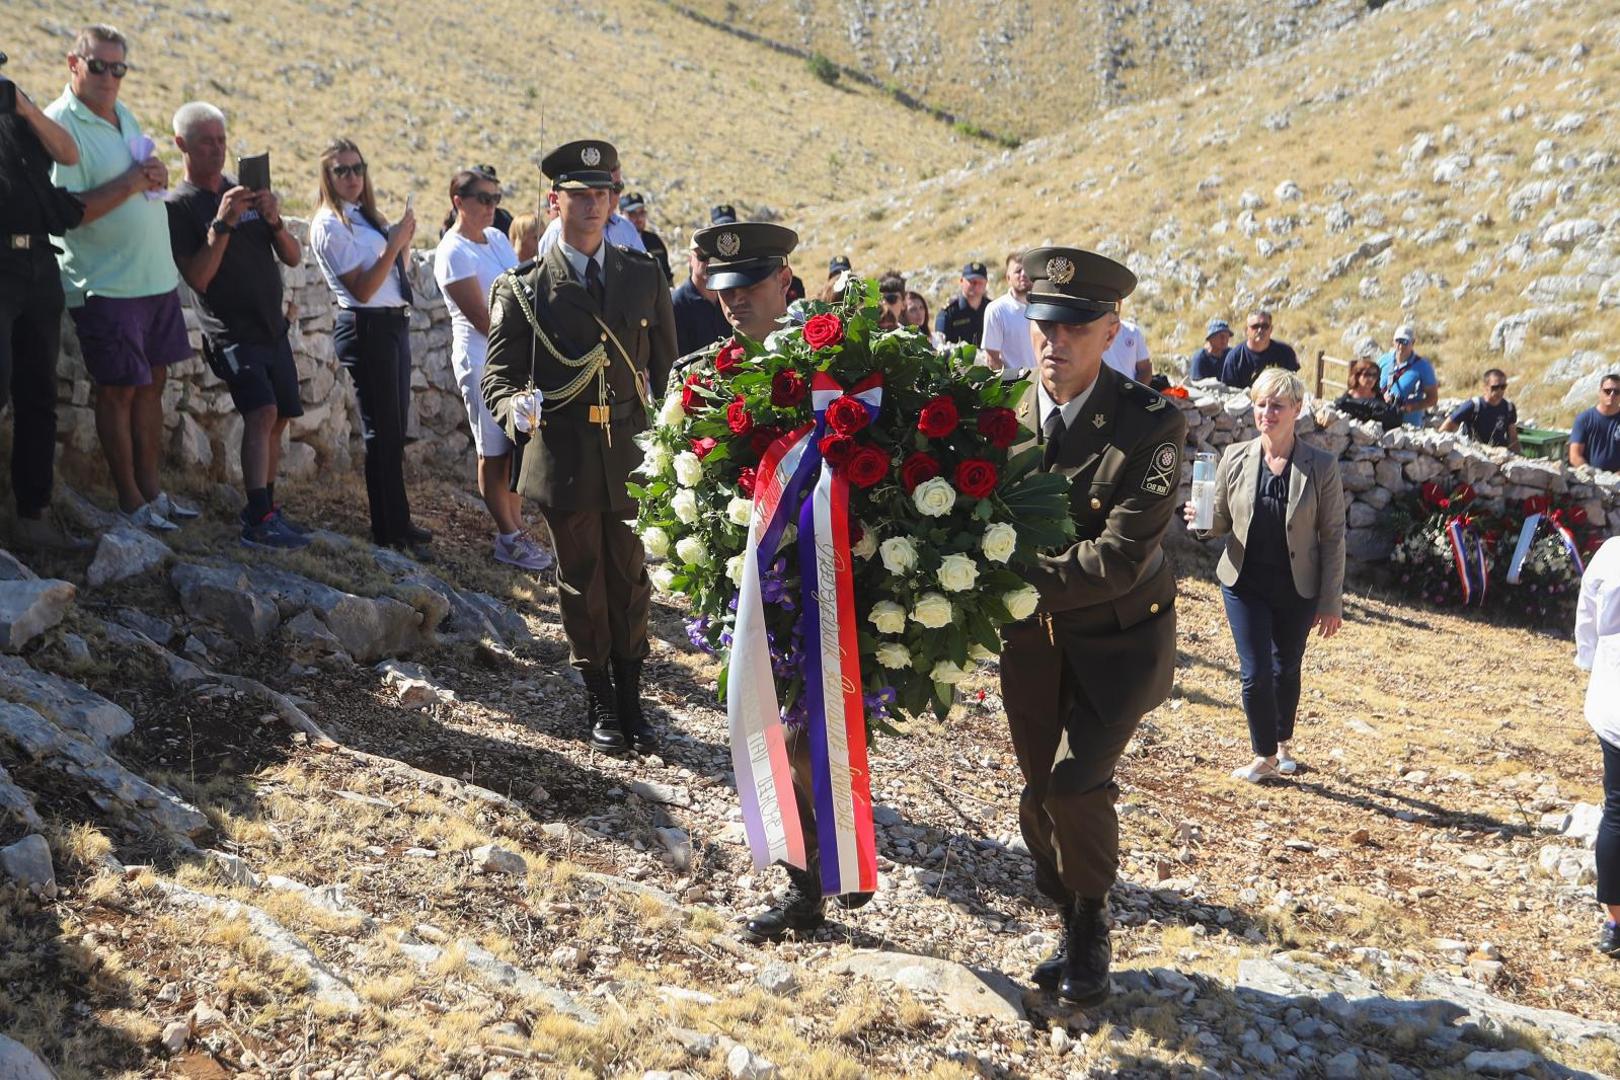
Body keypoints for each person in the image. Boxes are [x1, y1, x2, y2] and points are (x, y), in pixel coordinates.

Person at [1000, 246, 1185, 1006]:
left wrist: (998, 582)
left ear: (1112, 331)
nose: (1056, 341)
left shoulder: (1150, 424)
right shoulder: (1000, 414)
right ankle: (1067, 904)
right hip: (1033, 645)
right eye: (1044, 324)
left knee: (1078, 787)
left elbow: (1117, 557)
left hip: (1119, 641)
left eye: (1076, 326)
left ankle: (1090, 923)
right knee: (1038, 796)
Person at [483, 139, 675, 755]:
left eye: (603, 194)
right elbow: (498, 376)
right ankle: (597, 694)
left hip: (630, 450)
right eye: (580, 195)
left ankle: (631, 692)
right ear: (554, 201)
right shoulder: (524, 288)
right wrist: (514, 408)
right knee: (581, 576)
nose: (593, 206)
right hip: (564, 450)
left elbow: (668, 369)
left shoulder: (642, 274)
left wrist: (673, 445)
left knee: (631, 573)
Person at [47, 24, 198, 531]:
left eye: (119, 68)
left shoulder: (123, 113)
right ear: (74, 64)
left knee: (152, 384)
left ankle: (154, 494)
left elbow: (137, 177)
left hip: (153, 278)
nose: (110, 77)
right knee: (117, 391)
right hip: (105, 283)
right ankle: (130, 501)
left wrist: (153, 175)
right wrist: (133, 181)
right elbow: (67, 210)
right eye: (98, 65)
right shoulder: (59, 125)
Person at [1185, 367, 1345, 784]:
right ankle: (1265, 754)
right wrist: (1200, 521)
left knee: (1285, 668)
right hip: (1244, 582)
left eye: (1277, 405)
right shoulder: (1235, 457)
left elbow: (1332, 537)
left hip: (1298, 586)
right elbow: (1217, 520)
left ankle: (1283, 741)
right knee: (1254, 671)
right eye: (1261, 405)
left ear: (1296, 410)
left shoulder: (1322, 466)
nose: (1267, 413)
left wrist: (1330, 602)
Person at [166, 101, 310, 549]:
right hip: (230, 332)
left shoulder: (244, 191)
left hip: (272, 327)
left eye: (222, 140)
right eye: (206, 141)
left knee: (282, 412)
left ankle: (267, 506)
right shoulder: (180, 206)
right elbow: (199, 277)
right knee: (261, 412)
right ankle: (258, 516)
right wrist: (222, 225)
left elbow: (291, 255)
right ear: (181, 145)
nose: (217, 149)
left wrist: (273, 219)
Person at [309, 137, 430, 552]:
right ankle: (387, 528)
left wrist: (402, 241)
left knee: (394, 429)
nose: (352, 177)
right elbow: (361, 289)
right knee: (382, 430)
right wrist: (393, 243)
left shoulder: (364, 217)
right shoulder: (329, 224)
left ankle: (399, 522)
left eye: (357, 168)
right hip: (367, 326)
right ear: (327, 175)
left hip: (392, 323)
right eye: (341, 170)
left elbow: (395, 271)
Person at [432, 167, 551, 572]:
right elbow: (482, 317)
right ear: (458, 201)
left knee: (516, 446)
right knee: (492, 450)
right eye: (483, 198)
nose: (491, 207)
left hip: (515, 358)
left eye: (496, 198)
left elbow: (521, 285)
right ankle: (507, 535)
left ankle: (517, 529)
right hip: (482, 359)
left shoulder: (498, 238)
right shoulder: (452, 252)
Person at [0, 52, 90, 551]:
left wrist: (26, 109)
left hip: (37, 262)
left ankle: (32, 517)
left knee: (38, 393)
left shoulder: (19, 111)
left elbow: (69, 154)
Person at [1574, 536, 1620, 959]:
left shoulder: (1611, 553)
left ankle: (1615, 922)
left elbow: (1586, 614)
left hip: (1613, 697)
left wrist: (1587, 659)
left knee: (1617, 810)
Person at [538, 162, 644, 257]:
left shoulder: (626, 228)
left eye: (617, 188)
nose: (595, 203)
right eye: (582, 194)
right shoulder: (556, 231)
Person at [671, 240, 730, 357]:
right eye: (702, 257)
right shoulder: (677, 303)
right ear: (690, 260)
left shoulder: (728, 295)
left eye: (714, 257)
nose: (709, 263)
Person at [981, 250, 1035, 374]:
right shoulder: (996, 310)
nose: (1023, 274)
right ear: (1008, 278)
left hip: (1042, 385)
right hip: (1016, 387)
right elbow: (992, 358)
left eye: (1027, 270)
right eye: (1018, 271)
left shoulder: (1044, 307)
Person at [1442, 369, 1520, 451]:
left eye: (1503, 387)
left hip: (1499, 453)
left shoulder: (1509, 408)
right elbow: (1446, 426)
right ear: (1486, 387)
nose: (1499, 391)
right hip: (1474, 453)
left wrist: (1518, 456)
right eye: (1495, 387)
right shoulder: (1473, 405)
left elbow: (1513, 437)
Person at [1220, 309, 1298, 389]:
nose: (1260, 330)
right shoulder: (1235, 357)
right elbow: (1229, 391)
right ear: (1246, 330)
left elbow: (1293, 385)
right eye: (1255, 326)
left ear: (1271, 329)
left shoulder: (1285, 353)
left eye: (1265, 326)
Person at [1377, 324, 1438, 427]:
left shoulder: (1423, 366)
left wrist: (1411, 407)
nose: (1400, 346)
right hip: (1381, 419)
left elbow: (1432, 399)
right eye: (1398, 341)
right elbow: (1373, 384)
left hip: (1408, 424)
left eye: (1405, 342)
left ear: (1412, 343)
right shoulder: (1384, 360)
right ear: (1393, 341)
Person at [1333, 357, 1401, 430]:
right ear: (1357, 375)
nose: (1371, 379)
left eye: (1374, 375)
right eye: (1367, 375)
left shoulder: (1378, 397)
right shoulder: (1346, 399)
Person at [619, 191, 671, 285]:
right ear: (621, 215)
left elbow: (667, 275)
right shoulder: (616, 241)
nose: (638, 218)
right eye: (632, 214)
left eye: (642, 212)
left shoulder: (654, 240)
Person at [1571, 374, 1620, 472]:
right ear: (1600, 392)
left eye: (1617, 392)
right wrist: (1591, 473)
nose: (1612, 395)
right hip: (1590, 480)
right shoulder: (1584, 419)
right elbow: (1575, 455)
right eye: (1607, 391)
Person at [936, 260, 989, 345]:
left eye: (980, 282)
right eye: (971, 281)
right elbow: (940, 344)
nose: (975, 286)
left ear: (986, 283)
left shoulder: (992, 308)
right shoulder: (948, 312)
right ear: (961, 281)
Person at [1101, 315, 1152, 382]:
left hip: (1129, 390)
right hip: (1100, 391)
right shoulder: (1091, 332)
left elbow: (1145, 369)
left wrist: (1135, 391)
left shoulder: (1133, 331)